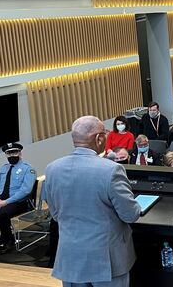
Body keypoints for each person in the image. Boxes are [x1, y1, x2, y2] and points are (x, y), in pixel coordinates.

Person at [45, 116, 141, 287]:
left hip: (71, 258)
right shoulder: (111, 170)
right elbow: (130, 215)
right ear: (99, 138)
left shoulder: (52, 169)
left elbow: (56, 214)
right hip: (106, 261)